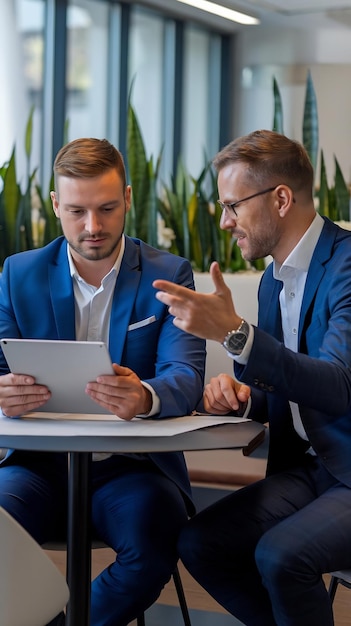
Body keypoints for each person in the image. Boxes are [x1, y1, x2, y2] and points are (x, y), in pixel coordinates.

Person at [0, 137, 205, 626]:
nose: (93, 227)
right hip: (36, 467)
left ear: (129, 199)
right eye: (77, 211)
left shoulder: (169, 273)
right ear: (55, 205)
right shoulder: (17, 273)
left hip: (131, 470)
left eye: (107, 209)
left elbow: (187, 375)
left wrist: (146, 395)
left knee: (154, 542)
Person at [153, 129, 351, 626]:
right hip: (311, 469)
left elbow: (337, 387)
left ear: (280, 198)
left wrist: (237, 336)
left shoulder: (347, 265)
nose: (224, 222)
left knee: (281, 556)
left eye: (233, 205)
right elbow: (291, 387)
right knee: (201, 542)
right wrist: (241, 398)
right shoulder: (271, 280)